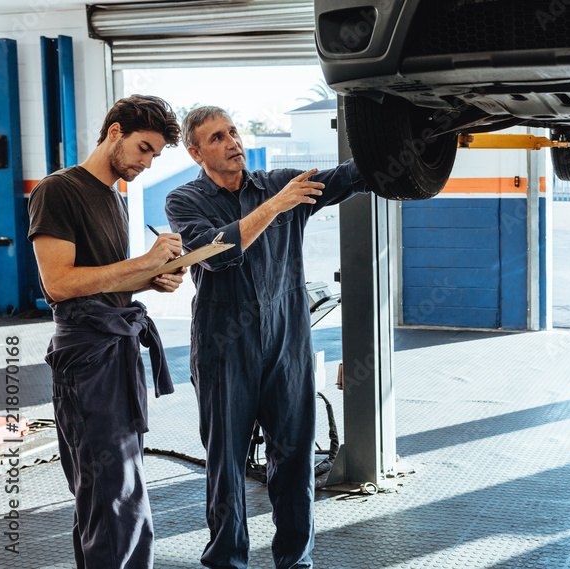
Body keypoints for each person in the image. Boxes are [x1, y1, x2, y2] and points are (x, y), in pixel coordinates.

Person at [164, 106, 368, 568]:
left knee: (295, 462)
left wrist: (411, 147)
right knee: (226, 467)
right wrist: (277, 205)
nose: (232, 141)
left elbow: (349, 177)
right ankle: (227, 561)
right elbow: (216, 253)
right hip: (223, 347)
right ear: (196, 151)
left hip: (286, 344)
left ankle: (296, 562)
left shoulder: (280, 181)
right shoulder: (184, 201)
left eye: (233, 131)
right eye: (217, 137)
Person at [27, 94, 186, 568]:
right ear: (114, 131)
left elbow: (109, 277)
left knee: (126, 489)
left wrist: (154, 279)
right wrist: (142, 263)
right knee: (106, 493)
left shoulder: (114, 198)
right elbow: (58, 284)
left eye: (155, 155)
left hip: (118, 352)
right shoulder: (58, 191)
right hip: (86, 357)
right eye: (144, 148)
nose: (147, 161)